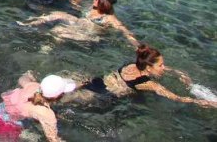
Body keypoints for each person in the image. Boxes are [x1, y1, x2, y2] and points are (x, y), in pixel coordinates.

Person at [78, 45, 216, 107]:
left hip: (96, 80)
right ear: (149, 68)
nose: (163, 67)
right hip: (103, 94)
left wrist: (179, 74)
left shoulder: (133, 64)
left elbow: (164, 69)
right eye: (161, 65)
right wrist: (201, 102)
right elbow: (177, 98)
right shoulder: (150, 84)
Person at [21, 0, 139, 46]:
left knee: (59, 30)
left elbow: (125, 31)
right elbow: (77, 5)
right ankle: (29, 23)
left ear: (101, 1)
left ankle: (47, 48)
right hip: (80, 24)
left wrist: (136, 45)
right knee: (56, 14)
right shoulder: (93, 7)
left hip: (90, 34)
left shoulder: (109, 18)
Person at [0, 72, 73, 141]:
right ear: (55, 96)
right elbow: (51, 137)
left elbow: (22, 79)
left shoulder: (34, 86)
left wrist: (29, 74)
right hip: (8, 125)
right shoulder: (47, 114)